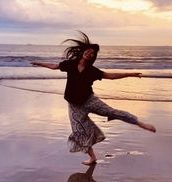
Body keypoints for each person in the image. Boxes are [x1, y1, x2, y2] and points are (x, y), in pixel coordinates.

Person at [31, 31, 156, 165]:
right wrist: (39, 63)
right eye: (88, 51)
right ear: (84, 51)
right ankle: (92, 157)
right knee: (79, 132)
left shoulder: (92, 71)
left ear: (92, 57)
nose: (89, 54)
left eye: (92, 54)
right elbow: (54, 66)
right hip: (74, 106)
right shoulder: (70, 64)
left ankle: (140, 123)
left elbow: (111, 76)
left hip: (90, 101)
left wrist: (130, 74)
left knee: (112, 112)